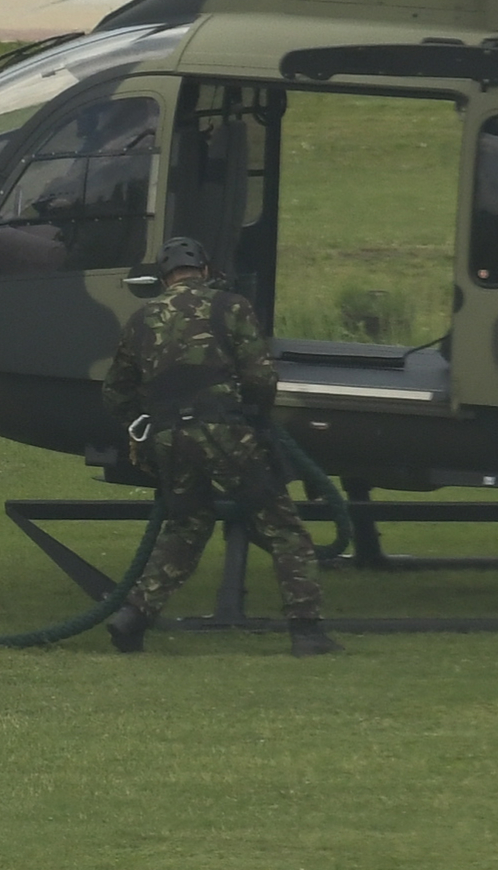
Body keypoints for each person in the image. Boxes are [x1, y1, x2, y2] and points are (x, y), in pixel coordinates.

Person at [99, 237, 336, 657]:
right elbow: (261, 376)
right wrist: (256, 419)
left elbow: (116, 394)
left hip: (170, 439)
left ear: (164, 276)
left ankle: (132, 616)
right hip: (225, 432)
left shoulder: (139, 320)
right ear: (205, 270)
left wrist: (144, 427)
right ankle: (307, 631)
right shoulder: (230, 306)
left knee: (186, 528)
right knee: (284, 530)